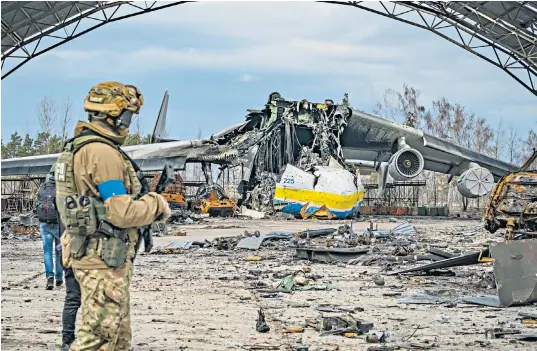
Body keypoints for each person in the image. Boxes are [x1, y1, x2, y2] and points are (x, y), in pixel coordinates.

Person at [56, 81, 170, 351]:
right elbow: (121, 212)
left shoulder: (81, 147)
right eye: (128, 114)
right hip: (102, 259)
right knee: (98, 337)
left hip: (95, 253)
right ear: (115, 115)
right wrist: (157, 204)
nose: (129, 121)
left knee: (117, 337)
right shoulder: (102, 152)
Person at [36, 168, 63, 290]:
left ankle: (49, 277)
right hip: (59, 225)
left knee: (47, 251)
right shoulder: (62, 188)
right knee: (59, 252)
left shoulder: (43, 187)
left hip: (44, 224)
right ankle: (59, 277)